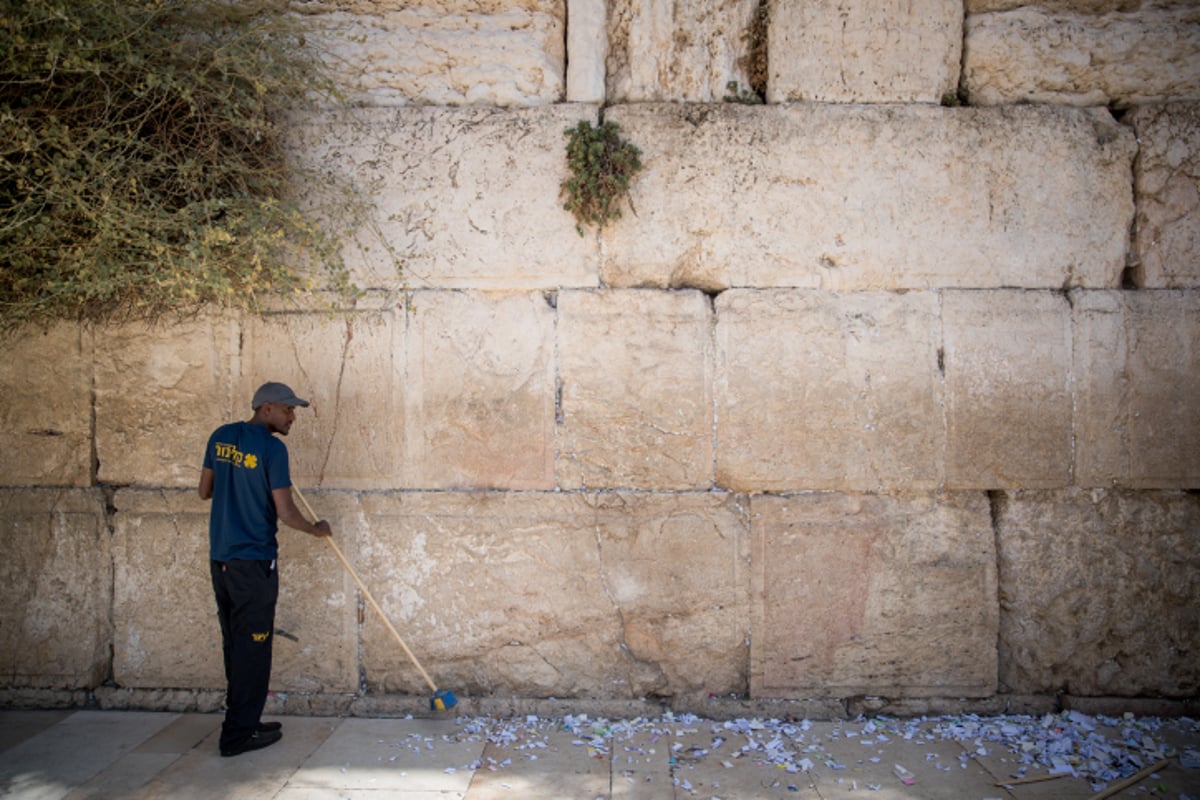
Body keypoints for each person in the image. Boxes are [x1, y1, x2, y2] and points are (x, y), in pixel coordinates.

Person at [198, 381, 332, 757]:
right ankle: (238, 734)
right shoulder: (273, 449)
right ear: (266, 408)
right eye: (288, 410)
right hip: (253, 563)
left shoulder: (220, 437)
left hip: (221, 560)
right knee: (254, 648)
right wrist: (316, 529)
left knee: (235, 644)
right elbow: (285, 512)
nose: (292, 417)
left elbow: (203, 491)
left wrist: (236, 480)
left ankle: (246, 719)